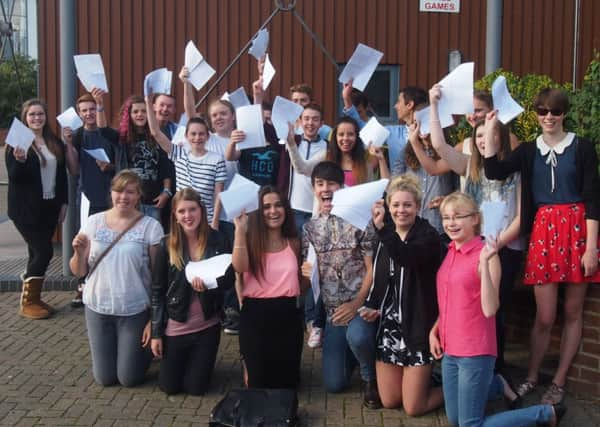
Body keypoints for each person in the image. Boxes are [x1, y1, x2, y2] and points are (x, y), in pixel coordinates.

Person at [484, 88, 600, 405]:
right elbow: (493, 171)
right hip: (544, 233)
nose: (549, 117)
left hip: (577, 231)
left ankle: (559, 381)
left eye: (556, 111)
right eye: (542, 111)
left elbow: (592, 198)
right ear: (535, 113)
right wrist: (493, 128)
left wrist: (592, 248)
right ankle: (533, 376)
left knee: (573, 311)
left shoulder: (583, 147)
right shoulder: (527, 151)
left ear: (564, 114)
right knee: (545, 316)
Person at [430, 192, 563, 426]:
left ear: (474, 219)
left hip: (475, 350)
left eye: (458, 216)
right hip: (450, 348)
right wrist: (436, 328)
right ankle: (496, 384)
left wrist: (484, 263)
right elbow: (451, 299)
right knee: (454, 419)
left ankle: (544, 414)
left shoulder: (487, 255)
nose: (451, 223)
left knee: (469, 424)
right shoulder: (450, 251)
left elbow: (490, 309)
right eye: (446, 217)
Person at [425, 85, 524, 371]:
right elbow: (440, 145)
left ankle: (496, 372)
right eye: (479, 135)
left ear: (501, 137)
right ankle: (460, 364)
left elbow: (520, 217)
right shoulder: (469, 166)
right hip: (469, 248)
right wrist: (433, 106)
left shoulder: (515, 170)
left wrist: (495, 247)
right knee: (463, 308)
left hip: (503, 250)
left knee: (495, 313)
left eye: (490, 134)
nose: (483, 140)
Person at [70, 170, 163, 386]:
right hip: (98, 307)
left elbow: (158, 276)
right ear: (111, 193)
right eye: (119, 191)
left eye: (130, 192)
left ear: (139, 195)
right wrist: (78, 253)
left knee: (129, 378)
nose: (124, 197)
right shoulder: (94, 222)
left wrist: (154, 320)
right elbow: (78, 271)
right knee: (105, 378)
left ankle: (143, 352)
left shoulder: (150, 226)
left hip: (134, 309)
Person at [360, 175, 444, 415]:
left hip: (417, 325)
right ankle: (424, 379)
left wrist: (383, 230)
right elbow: (380, 275)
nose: (401, 210)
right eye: (395, 205)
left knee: (414, 408)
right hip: (390, 326)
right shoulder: (385, 236)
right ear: (388, 206)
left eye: (407, 205)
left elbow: (406, 257)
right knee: (389, 401)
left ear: (417, 206)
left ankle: (456, 386)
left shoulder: (428, 236)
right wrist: (373, 304)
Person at [301, 161, 380, 408]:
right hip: (334, 312)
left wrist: (356, 303)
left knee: (358, 336)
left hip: (360, 306)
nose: (326, 189)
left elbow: (372, 269)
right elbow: (311, 277)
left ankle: (371, 378)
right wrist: (307, 273)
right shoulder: (310, 228)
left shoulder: (360, 222)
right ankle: (357, 355)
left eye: (331, 184)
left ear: (342, 187)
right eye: (320, 184)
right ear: (314, 189)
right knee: (334, 384)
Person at [150, 188, 234, 395]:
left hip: (207, 325)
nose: (188, 216)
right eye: (182, 211)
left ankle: (198, 363)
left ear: (201, 211)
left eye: (192, 210)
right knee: (169, 387)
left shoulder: (218, 240)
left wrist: (209, 286)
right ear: (175, 216)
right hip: (176, 327)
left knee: (195, 388)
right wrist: (156, 333)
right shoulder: (166, 245)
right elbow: (157, 291)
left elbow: (229, 282)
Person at [231, 186, 305, 389]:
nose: (273, 211)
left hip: (288, 315)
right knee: (257, 384)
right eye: (266, 207)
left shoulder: (294, 242)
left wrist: (309, 275)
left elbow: (300, 282)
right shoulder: (248, 240)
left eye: (278, 205)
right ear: (258, 211)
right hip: (255, 316)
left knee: (286, 385)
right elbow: (239, 267)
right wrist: (239, 231)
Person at [6, 99, 72, 319]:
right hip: (25, 209)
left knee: (35, 253)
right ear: (25, 117)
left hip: (49, 207)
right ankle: (28, 302)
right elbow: (15, 178)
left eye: (40, 114)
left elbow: (62, 176)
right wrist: (20, 160)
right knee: (44, 251)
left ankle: (34, 297)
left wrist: (64, 203)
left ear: (46, 116)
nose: (36, 118)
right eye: (32, 115)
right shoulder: (17, 143)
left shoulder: (53, 142)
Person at [146, 94, 226, 230]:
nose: (197, 137)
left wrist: (215, 221)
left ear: (207, 136)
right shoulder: (178, 153)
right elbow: (155, 132)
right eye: (193, 134)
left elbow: (219, 194)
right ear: (186, 136)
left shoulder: (217, 160)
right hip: (182, 218)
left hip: (207, 219)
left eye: (201, 134)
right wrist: (148, 102)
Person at [286, 116, 390, 187]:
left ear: (356, 137)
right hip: (327, 217)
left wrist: (381, 159)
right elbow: (302, 168)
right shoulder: (325, 156)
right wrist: (291, 144)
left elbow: (385, 187)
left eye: (350, 134)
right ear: (335, 137)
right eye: (341, 134)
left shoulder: (364, 164)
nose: (345, 138)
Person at [115, 95, 172, 223]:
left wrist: (166, 191)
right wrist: (100, 105)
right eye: (135, 111)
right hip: (130, 202)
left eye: (144, 111)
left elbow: (166, 166)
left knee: (153, 240)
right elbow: (102, 130)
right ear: (128, 115)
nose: (140, 114)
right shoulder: (122, 138)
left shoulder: (158, 136)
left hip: (153, 201)